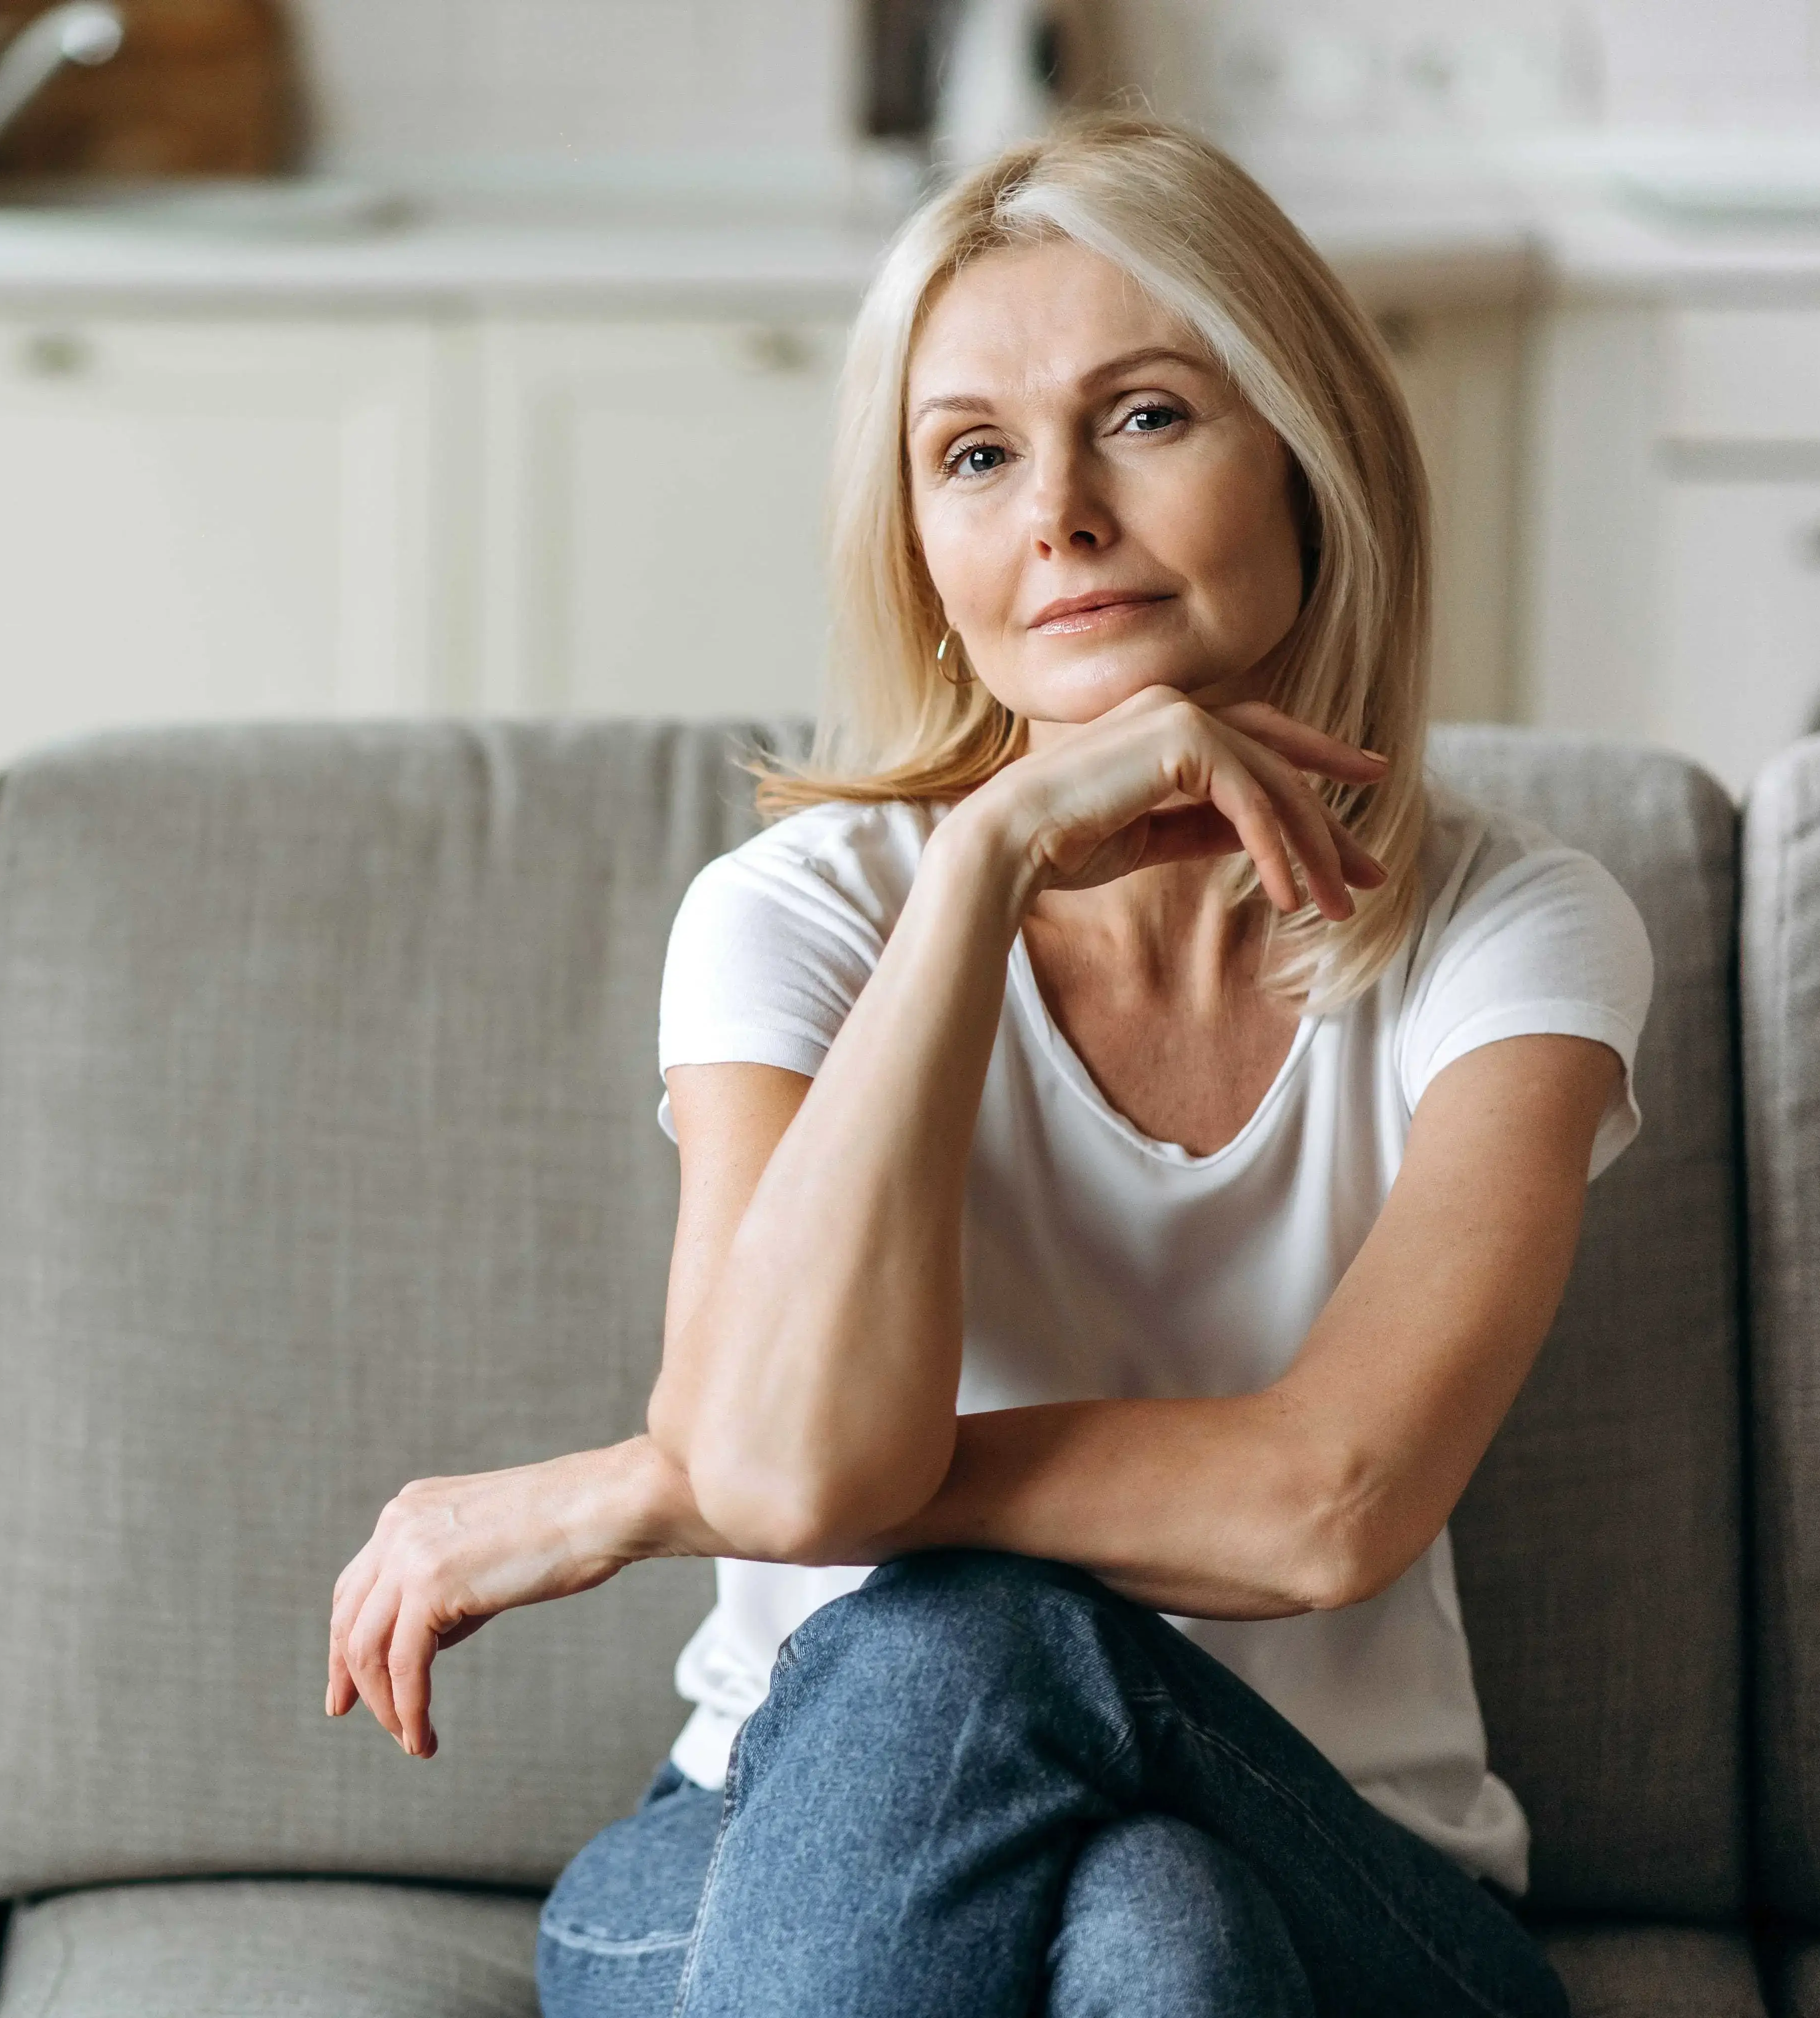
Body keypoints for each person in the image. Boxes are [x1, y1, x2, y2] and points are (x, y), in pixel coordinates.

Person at [322, 116, 1648, 2017]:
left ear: (1311, 455)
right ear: (922, 543)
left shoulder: (1513, 931)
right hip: (772, 1826)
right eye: (975, 454)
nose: (1061, 517)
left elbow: (1328, 1506)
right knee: (1104, 1861)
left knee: (998, 1668)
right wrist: (984, 869)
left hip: (1347, 1859)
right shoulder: (793, 918)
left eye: (1149, 416)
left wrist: (650, 1486)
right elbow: (775, 1457)